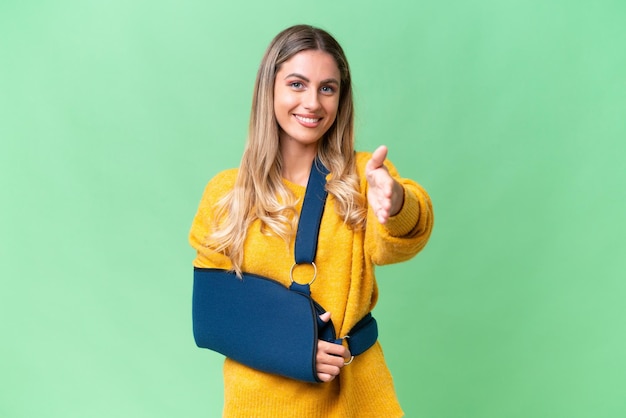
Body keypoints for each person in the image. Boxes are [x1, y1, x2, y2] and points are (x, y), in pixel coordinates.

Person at [189, 24, 434, 417]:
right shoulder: (225, 194)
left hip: (356, 397)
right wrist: (295, 347)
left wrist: (397, 199)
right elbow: (213, 313)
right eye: (297, 84)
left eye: (327, 88)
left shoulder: (360, 177)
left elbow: (399, 239)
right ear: (269, 89)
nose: (313, 103)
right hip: (260, 402)